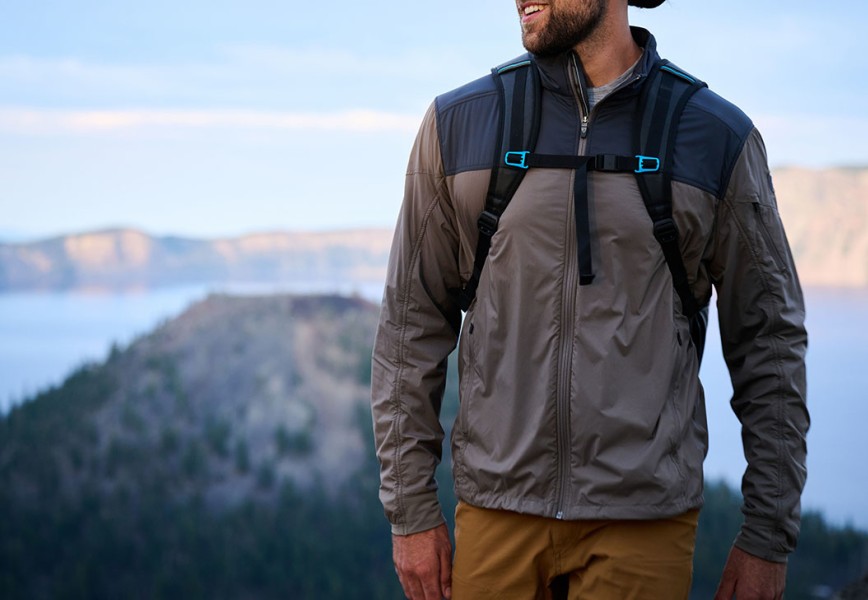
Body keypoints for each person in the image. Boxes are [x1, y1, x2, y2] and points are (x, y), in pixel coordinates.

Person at [370, 0, 809, 598]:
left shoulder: (715, 136)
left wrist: (767, 534)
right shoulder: (461, 122)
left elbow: (769, 342)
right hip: (497, 514)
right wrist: (411, 513)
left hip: (643, 525)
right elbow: (409, 328)